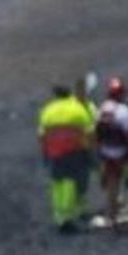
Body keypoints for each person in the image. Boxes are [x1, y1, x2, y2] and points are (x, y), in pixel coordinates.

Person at [37, 85, 96, 234]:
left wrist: (45, 153)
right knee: (72, 182)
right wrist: (91, 152)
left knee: (57, 184)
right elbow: (89, 132)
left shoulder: (47, 110)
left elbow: (42, 135)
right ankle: (69, 217)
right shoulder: (77, 109)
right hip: (74, 152)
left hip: (54, 153)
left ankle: (60, 216)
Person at [95, 77, 128, 229]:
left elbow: (97, 134)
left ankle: (113, 217)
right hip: (123, 155)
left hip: (107, 154)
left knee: (112, 185)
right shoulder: (123, 111)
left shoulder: (102, 109)